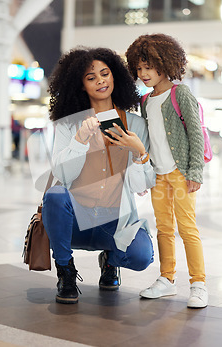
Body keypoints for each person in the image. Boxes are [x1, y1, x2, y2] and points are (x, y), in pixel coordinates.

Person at [42, 47, 156, 304]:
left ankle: (109, 260)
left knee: (141, 256)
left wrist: (139, 153)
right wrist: (79, 140)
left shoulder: (136, 124)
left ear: (115, 76)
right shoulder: (68, 125)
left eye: (105, 74)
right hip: (76, 220)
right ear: (80, 85)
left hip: (114, 222)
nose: (101, 80)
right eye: (91, 77)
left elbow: (141, 184)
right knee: (55, 195)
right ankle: (66, 271)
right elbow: (61, 173)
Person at [125, 34, 208, 308]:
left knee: (187, 228)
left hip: (181, 173)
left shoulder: (180, 93)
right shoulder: (146, 101)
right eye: (138, 68)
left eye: (148, 66)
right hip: (159, 175)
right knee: (163, 228)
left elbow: (195, 133)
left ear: (165, 62)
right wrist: (146, 172)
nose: (143, 73)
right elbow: (148, 139)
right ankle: (167, 279)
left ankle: (198, 284)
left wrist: (195, 171)